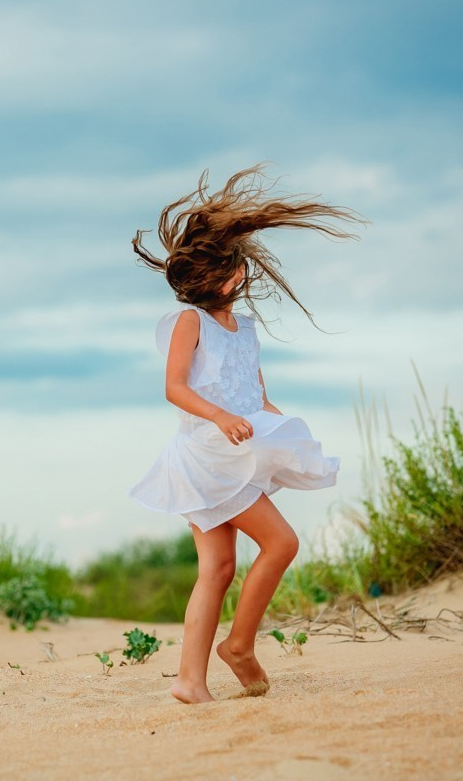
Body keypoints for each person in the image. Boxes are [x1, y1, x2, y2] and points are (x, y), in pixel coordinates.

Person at [128, 164, 363, 704]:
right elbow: (174, 388)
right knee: (282, 542)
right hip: (209, 455)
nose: (240, 275)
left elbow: (255, 394)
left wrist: (279, 426)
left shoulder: (247, 328)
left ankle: (190, 682)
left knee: (217, 567)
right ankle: (237, 645)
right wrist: (219, 417)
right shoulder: (191, 323)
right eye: (235, 269)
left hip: (235, 449)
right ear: (222, 276)